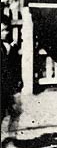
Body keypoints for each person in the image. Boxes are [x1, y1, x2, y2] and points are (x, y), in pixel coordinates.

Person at [1, 13, 22, 146]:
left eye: (6, 29)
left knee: (16, 110)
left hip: (10, 85)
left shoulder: (11, 46)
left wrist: (18, 81)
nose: (5, 33)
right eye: (2, 30)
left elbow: (15, 66)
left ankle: (10, 139)